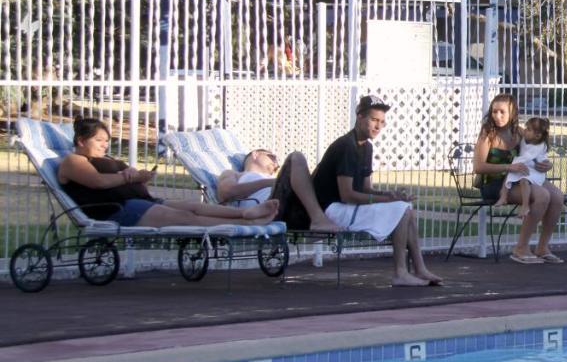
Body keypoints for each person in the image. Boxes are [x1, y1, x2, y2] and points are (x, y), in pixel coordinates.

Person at [312, 95, 442, 287]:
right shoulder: (347, 146)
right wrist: (387, 201)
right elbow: (347, 195)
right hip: (332, 209)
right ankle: (400, 272)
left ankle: (419, 268)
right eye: (374, 120)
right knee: (401, 210)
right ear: (359, 116)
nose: (378, 126)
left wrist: (390, 196)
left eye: (382, 122)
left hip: (345, 206)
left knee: (406, 208)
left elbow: (366, 189)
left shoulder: (366, 147)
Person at [58, 117, 280, 228]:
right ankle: (246, 224)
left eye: (107, 141)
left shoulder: (104, 159)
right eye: (99, 141)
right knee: (186, 218)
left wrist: (141, 178)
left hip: (140, 201)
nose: (104, 145)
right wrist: (129, 176)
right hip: (117, 210)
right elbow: (98, 183)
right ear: (80, 140)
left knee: (195, 206)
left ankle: (246, 213)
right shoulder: (73, 161)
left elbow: (125, 180)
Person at [472, 94, 565, 265]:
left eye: (502, 112)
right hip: (495, 184)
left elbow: (536, 152)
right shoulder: (488, 134)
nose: (497, 116)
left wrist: (546, 164)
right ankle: (520, 248)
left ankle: (542, 247)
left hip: (520, 177)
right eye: (494, 112)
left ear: (513, 113)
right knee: (542, 196)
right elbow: (478, 167)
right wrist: (509, 167)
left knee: (557, 196)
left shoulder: (520, 132)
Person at [215, 149, 344, 233]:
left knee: (326, 165)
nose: (276, 164)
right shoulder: (235, 174)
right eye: (272, 157)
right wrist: (270, 182)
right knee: (297, 157)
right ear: (256, 154)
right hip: (269, 209)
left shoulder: (276, 178)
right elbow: (227, 192)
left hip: (296, 209)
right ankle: (318, 220)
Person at [495, 116, 551, 218]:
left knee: (524, 181)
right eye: (526, 128)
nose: (525, 130)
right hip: (525, 166)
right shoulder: (526, 138)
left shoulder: (540, 146)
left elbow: (527, 157)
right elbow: (517, 129)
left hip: (535, 171)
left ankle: (525, 206)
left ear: (537, 135)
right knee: (510, 172)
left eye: (528, 129)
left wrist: (515, 163)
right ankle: (503, 195)